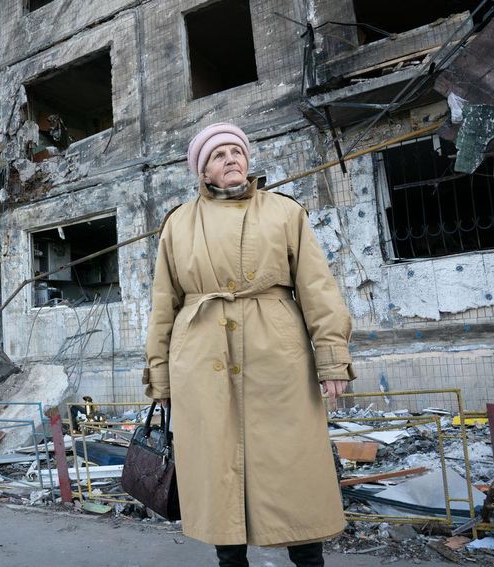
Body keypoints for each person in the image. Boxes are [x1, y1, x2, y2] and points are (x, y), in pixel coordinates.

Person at [143, 123, 356, 567]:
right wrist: (159, 376)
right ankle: (230, 561)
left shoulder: (283, 212)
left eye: (237, 151)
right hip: (201, 361)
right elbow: (163, 305)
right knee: (219, 469)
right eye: (219, 155)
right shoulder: (178, 224)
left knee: (293, 464)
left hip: (279, 360)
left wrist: (332, 359)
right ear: (202, 170)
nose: (232, 160)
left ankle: (309, 560)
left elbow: (318, 289)